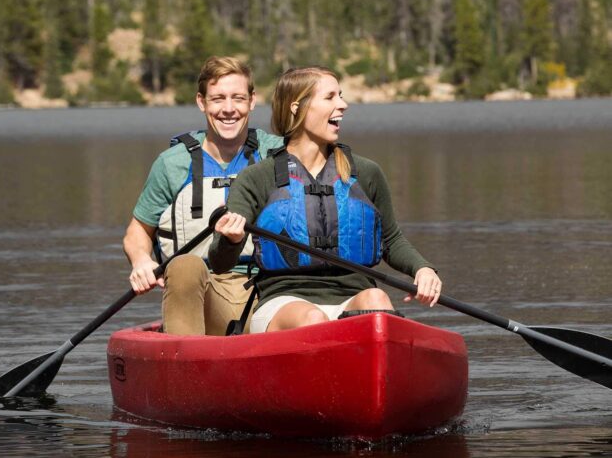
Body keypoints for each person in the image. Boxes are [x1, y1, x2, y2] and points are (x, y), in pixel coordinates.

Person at [208, 66, 442, 333]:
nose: (343, 105)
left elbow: (391, 240)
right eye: (330, 97)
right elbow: (219, 262)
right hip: (284, 302)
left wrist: (423, 269)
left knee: (377, 301)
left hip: (353, 295)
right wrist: (232, 239)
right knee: (313, 318)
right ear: (298, 107)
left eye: (340, 95)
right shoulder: (256, 178)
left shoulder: (366, 172)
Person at [123, 56, 282, 335]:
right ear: (201, 102)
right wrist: (141, 261)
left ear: (252, 101)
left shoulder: (277, 153)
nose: (229, 109)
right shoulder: (173, 163)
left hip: (270, 294)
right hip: (205, 297)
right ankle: (187, 368)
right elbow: (138, 231)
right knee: (184, 266)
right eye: (218, 99)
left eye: (238, 98)